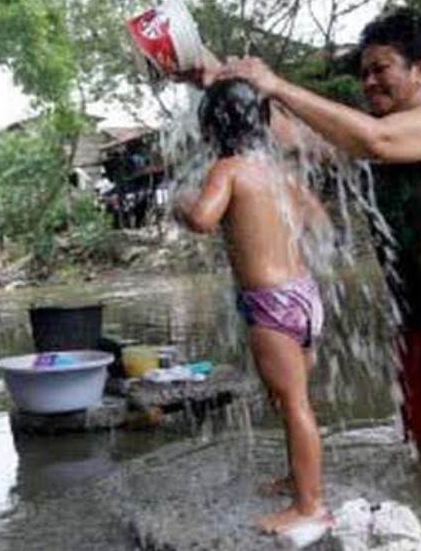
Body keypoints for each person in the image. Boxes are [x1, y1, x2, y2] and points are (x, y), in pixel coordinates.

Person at [211, 8, 421, 489]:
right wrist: (215, 76)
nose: (370, 81)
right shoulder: (363, 138)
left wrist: (277, 84)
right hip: (418, 317)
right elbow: (288, 134)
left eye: (382, 69)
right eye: (365, 72)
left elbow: (378, 141)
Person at [176, 79, 334, 534]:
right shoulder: (281, 173)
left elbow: (203, 219)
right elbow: (320, 221)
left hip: (270, 305)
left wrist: (182, 205)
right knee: (289, 399)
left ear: (211, 129)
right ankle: (299, 479)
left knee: (293, 402)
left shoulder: (227, 170)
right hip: (304, 297)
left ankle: (310, 506)